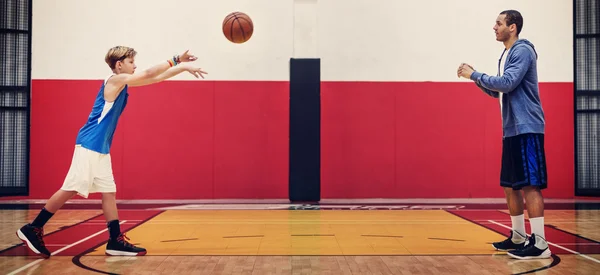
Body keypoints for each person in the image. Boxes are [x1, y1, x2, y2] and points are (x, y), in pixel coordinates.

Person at [17, 46, 207, 258]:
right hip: (89, 144)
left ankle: (115, 241)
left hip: (100, 148)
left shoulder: (123, 83)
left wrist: (183, 68)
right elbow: (149, 73)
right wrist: (175, 59)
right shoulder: (113, 81)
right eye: (131, 62)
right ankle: (33, 229)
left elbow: (154, 78)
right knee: (71, 187)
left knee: (108, 191)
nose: (135, 66)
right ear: (119, 65)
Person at [457, 10, 551, 260]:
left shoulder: (522, 50)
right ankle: (519, 235)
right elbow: (500, 91)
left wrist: (475, 75)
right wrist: (477, 79)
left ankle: (540, 244)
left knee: (530, 185)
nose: (494, 27)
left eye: (499, 23)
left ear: (513, 27)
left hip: (527, 127)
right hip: (512, 129)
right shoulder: (507, 54)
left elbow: (507, 83)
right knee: (511, 186)